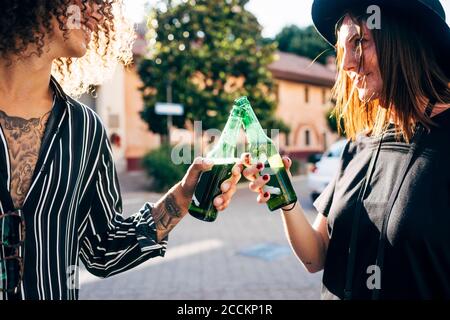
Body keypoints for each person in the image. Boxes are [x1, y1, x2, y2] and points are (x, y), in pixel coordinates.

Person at [0, 0, 241, 300]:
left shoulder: (86, 130)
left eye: (104, 4)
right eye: (85, 0)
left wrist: (182, 195)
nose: (98, 13)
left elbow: (103, 248)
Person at [243, 0, 450, 299]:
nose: (347, 64)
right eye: (343, 49)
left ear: (404, 40)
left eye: (361, 42)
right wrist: (285, 196)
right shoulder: (357, 144)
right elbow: (317, 255)